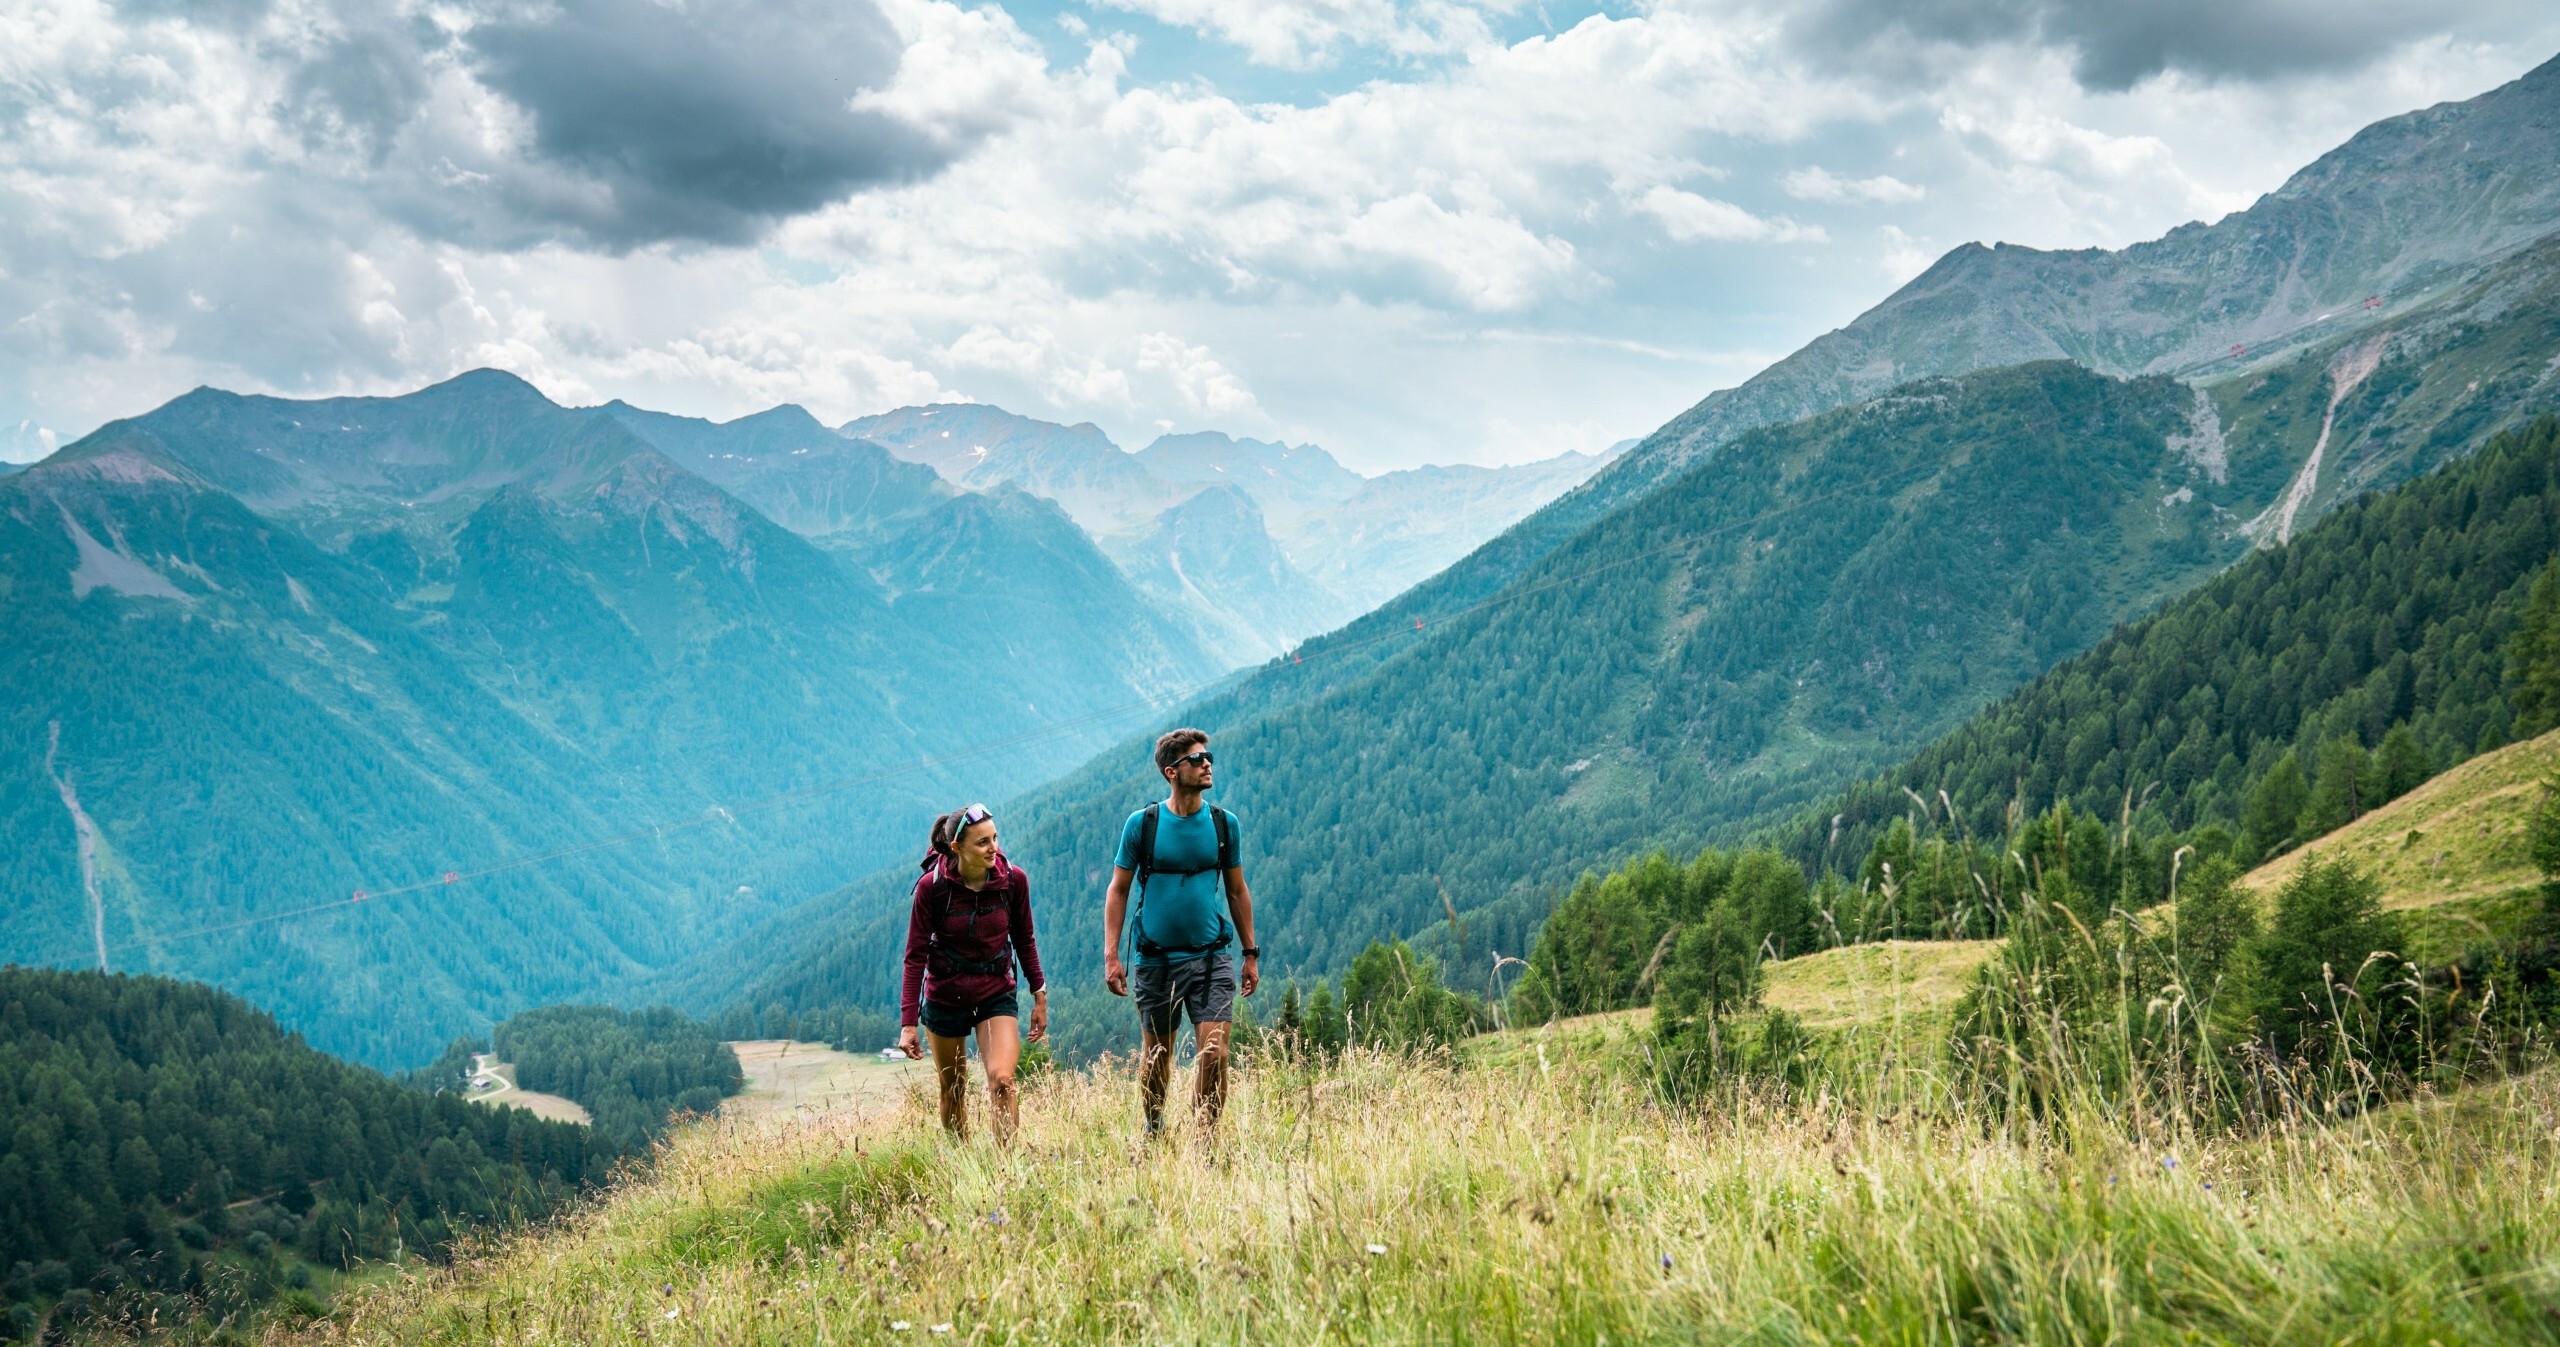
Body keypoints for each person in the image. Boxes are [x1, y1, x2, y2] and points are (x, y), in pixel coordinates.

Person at [1103, 728, 1261, 1136]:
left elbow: (1237, 890)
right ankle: (1154, 1129)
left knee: (1215, 1052)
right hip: (1155, 959)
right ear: (1172, 772)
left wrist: (1250, 953)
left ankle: (1204, 1140)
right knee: (1157, 1055)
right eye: (1197, 758)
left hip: (1210, 957)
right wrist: (1112, 955)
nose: (1207, 763)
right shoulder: (1144, 824)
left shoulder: (1225, 825)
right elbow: (1118, 890)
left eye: (1208, 756)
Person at [899, 803, 1048, 1142]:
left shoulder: (1013, 881)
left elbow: (1024, 938)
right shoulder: (931, 888)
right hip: (945, 996)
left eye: (994, 838)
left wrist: (1039, 993)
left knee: (1002, 1081)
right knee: (953, 1089)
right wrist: (908, 1023)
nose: (993, 848)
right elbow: (915, 957)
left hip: (995, 991)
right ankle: (961, 1162)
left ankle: (1005, 1172)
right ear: (957, 848)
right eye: (982, 842)